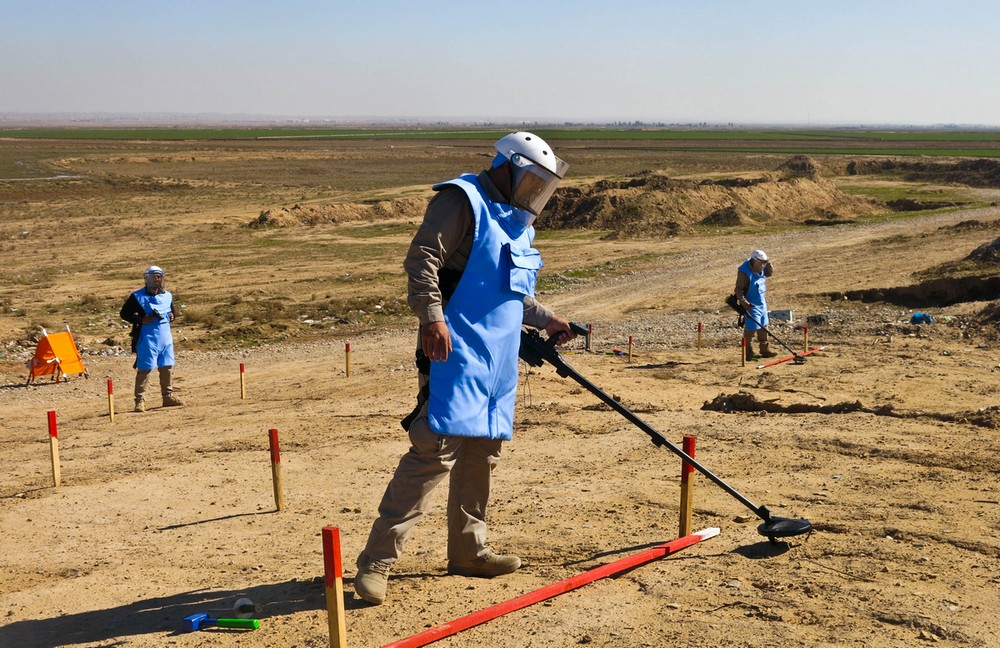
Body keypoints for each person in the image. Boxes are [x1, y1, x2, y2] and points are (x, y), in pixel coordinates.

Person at [354, 132, 577, 605]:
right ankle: (376, 562)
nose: (535, 193)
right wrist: (432, 318)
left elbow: (510, 293)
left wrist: (547, 317)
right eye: (532, 181)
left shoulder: (515, 222)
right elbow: (422, 261)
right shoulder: (463, 200)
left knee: (482, 456)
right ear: (506, 166)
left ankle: (469, 552)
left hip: (497, 364)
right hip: (452, 356)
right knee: (433, 452)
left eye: (543, 186)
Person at [119, 265, 184, 412]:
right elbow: (124, 314)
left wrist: (173, 316)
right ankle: (139, 400)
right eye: (154, 276)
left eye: (159, 276)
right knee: (145, 368)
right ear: (147, 278)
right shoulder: (137, 297)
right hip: (147, 337)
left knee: (167, 367)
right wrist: (141, 319)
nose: (157, 279)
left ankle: (168, 396)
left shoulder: (167, 295)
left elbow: (171, 311)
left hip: (165, 337)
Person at [734, 249, 777, 358]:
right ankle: (747, 352)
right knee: (751, 327)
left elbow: (769, 273)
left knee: (764, 326)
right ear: (755, 261)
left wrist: (768, 263)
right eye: (761, 263)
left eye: (764, 263)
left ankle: (765, 350)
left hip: (761, 302)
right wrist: (744, 303)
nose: (763, 265)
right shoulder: (744, 272)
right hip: (750, 304)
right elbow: (739, 290)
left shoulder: (762, 267)